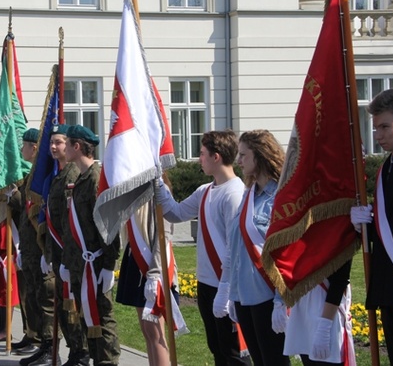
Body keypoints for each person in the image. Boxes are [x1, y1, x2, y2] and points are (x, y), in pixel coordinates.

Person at [157, 129, 251, 366]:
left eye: (202, 153)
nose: (199, 159)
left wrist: (226, 288)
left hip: (226, 283)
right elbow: (175, 213)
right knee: (217, 348)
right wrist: (158, 183)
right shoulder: (205, 191)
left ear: (216, 156)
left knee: (233, 352)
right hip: (207, 283)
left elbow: (235, 246)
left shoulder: (235, 193)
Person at [220, 130, 289, 366]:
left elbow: (285, 252)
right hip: (245, 296)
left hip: (268, 294)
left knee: (274, 361)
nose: (238, 160)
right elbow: (237, 247)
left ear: (259, 156)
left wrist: (281, 300)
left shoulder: (279, 197)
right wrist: (231, 293)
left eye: (243, 155)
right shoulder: (248, 195)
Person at [30, 124, 89, 366]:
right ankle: (75, 352)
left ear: (70, 145)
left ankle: (81, 353)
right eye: (52, 142)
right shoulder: (57, 176)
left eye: (59, 142)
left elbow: (72, 220)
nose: (53, 147)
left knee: (72, 307)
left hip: (71, 254)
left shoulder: (73, 174)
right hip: (58, 252)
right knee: (63, 307)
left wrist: (64, 257)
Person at [62, 125, 121, 366]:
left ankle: (107, 362)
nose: (63, 148)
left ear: (77, 147)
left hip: (96, 264)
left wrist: (109, 265)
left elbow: (110, 226)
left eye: (66, 144)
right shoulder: (80, 178)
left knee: (103, 318)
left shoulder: (96, 178)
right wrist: (68, 261)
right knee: (88, 316)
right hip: (80, 264)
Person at [351, 87, 393, 365]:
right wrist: (367, 219)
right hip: (389, 285)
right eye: (375, 128)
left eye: (385, 126)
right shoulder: (388, 167)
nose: (378, 135)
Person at [116, 177, 181, 366]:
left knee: (156, 333)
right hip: (136, 263)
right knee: (147, 330)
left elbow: (164, 235)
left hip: (155, 266)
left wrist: (154, 274)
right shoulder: (135, 190)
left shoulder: (160, 190)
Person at [8, 128, 46, 359]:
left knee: (41, 296)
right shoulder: (31, 172)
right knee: (30, 294)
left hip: (38, 246)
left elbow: (33, 207)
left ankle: (43, 341)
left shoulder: (38, 174)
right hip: (28, 246)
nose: (21, 149)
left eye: (24, 145)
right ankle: (32, 334)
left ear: (33, 147)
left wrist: (14, 196)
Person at [283, 261, 355, 366]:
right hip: (302, 309)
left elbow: (339, 280)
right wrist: (279, 300)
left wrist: (324, 327)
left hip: (327, 310)